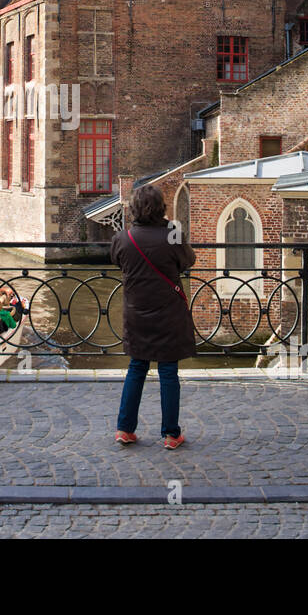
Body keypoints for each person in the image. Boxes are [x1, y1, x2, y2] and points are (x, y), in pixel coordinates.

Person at [109, 184, 196, 449]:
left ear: (133, 209)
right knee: (168, 371)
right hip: (168, 312)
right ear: (161, 208)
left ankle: (125, 429)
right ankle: (171, 434)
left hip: (137, 313)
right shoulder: (172, 235)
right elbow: (188, 260)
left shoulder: (124, 238)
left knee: (137, 367)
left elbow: (116, 260)